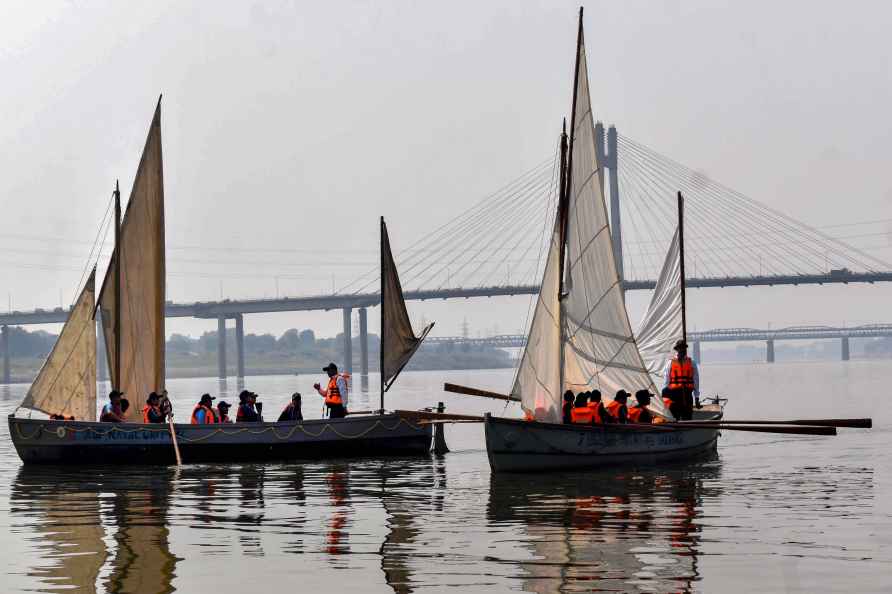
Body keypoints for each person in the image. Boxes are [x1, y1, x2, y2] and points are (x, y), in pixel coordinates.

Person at [663, 339, 700, 421]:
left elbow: (696, 380)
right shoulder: (670, 363)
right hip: (674, 396)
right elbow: (666, 382)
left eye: (683, 348)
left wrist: (697, 397)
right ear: (677, 349)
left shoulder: (692, 362)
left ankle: (686, 432)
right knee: (674, 418)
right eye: (680, 348)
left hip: (687, 395)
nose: (682, 350)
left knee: (687, 418)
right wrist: (665, 399)